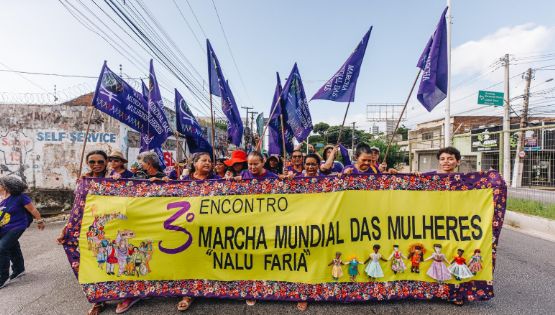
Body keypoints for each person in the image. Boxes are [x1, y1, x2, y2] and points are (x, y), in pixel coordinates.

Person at [0, 176, 45, 289]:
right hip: (3, 228)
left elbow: (32, 209)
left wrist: (39, 220)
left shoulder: (20, 197)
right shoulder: (1, 197)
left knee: (2, 247)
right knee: (12, 246)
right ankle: (19, 269)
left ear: (6, 186)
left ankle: (3, 277)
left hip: (17, 226)